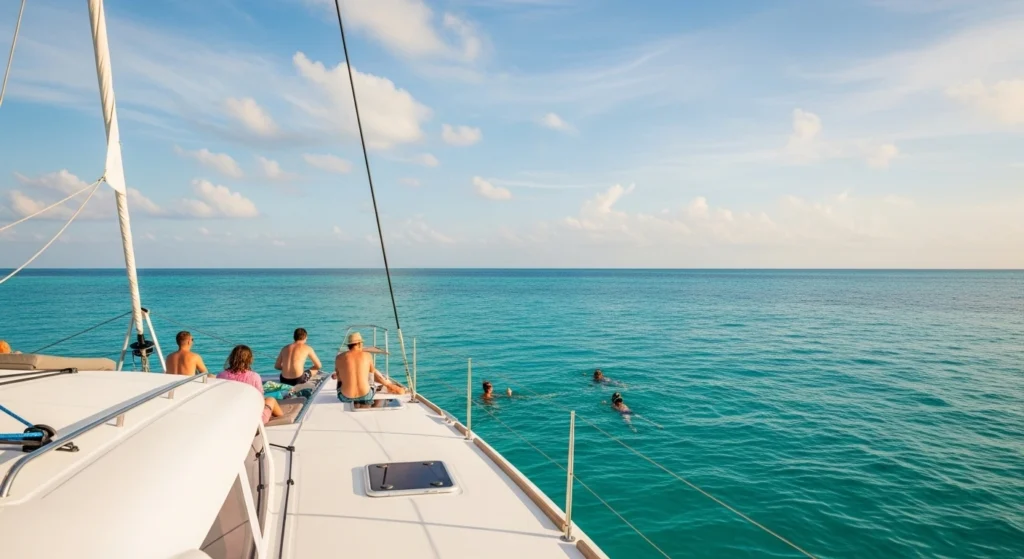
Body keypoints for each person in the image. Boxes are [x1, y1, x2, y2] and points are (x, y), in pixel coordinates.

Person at [217, 345, 283, 425]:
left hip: (228, 417)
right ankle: (283, 420)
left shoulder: (221, 375)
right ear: (249, 359)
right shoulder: (254, 376)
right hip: (253, 420)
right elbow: (260, 399)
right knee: (271, 400)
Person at [333, 332, 404, 404]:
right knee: (371, 374)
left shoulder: (339, 357)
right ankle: (388, 386)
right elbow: (372, 376)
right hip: (366, 396)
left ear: (349, 345)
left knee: (340, 380)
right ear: (359, 344)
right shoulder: (368, 355)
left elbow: (339, 380)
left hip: (345, 397)